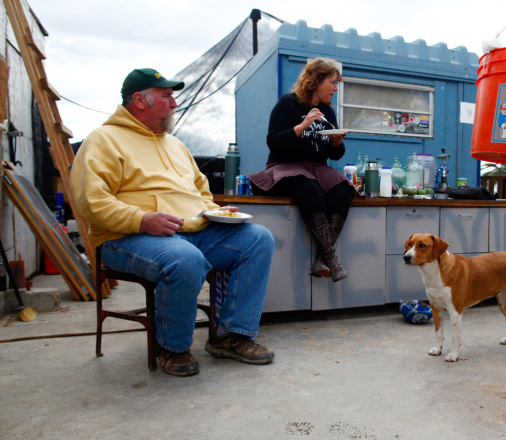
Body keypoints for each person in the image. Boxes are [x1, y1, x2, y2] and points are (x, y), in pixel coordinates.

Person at [71, 68, 275, 377]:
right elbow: (91, 201)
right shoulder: (104, 139)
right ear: (139, 100)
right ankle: (173, 348)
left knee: (258, 238)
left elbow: (200, 191)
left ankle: (231, 337)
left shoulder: (175, 146)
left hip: (191, 231)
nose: (174, 103)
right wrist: (141, 220)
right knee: (184, 259)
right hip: (125, 237)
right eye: (167, 96)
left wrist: (215, 211)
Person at [249, 57, 355, 282]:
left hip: (317, 168)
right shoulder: (287, 103)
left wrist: (337, 143)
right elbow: (273, 142)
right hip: (285, 166)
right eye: (333, 83)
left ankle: (322, 256)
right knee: (310, 188)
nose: (336, 89)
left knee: (343, 188)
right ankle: (332, 258)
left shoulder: (328, 112)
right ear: (316, 80)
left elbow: (334, 154)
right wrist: (301, 126)